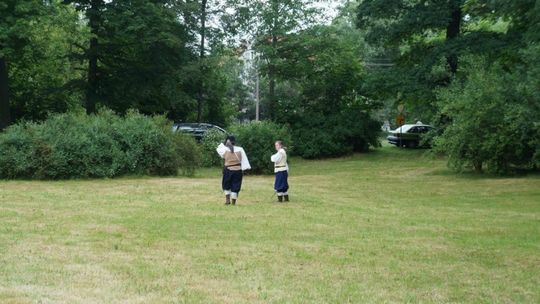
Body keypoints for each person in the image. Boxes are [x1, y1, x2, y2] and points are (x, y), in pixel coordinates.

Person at [216, 135, 251, 205]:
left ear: (227, 141)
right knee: (236, 185)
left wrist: (226, 144)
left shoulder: (224, 150)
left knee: (226, 185)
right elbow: (244, 160)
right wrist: (244, 168)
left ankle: (227, 201)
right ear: (234, 142)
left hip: (228, 170)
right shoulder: (240, 149)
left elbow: (219, 148)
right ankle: (233, 202)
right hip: (238, 170)